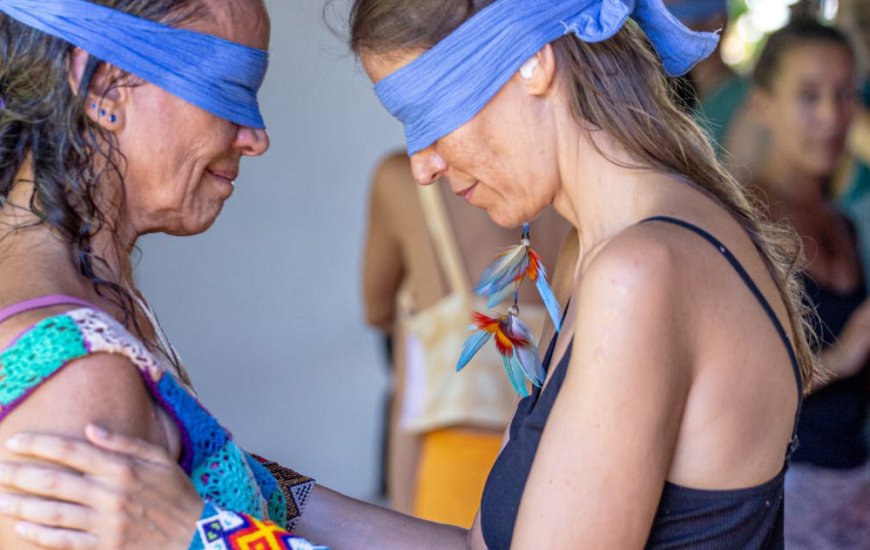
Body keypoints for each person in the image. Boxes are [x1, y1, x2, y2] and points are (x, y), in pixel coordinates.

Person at [0, 0, 818, 548]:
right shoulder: (624, 247)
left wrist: (205, 535)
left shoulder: (643, 271)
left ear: (533, 61)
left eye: (428, 114)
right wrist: (262, 491)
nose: (421, 163)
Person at [0, 0, 324, 548]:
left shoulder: (98, 311)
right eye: (231, 87)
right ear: (103, 86)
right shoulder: (75, 377)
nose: (255, 137)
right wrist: (202, 533)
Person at [361, 151, 567, 524]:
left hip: (456, 471)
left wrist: (421, 287)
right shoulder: (575, 186)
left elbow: (375, 309)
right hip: (557, 474)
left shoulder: (403, 179)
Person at [747, 19, 870, 548]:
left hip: (854, 486)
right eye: (808, 95)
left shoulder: (842, 222)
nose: (831, 117)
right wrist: (841, 357)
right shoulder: (745, 217)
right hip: (783, 499)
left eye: (844, 95)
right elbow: (736, 382)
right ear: (762, 105)